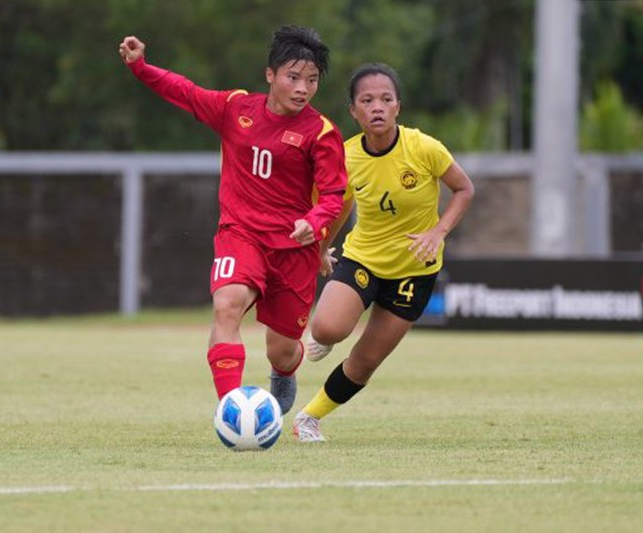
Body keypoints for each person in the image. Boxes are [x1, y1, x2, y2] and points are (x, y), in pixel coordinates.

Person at [118, 26, 347, 414]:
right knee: (227, 306)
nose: (302, 88)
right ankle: (232, 412)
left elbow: (333, 195)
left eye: (311, 81)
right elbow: (186, 93)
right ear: (270, 75)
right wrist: (141, 66)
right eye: (293, 77)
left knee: (284, 350)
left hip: (294, 248)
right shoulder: (236, 108)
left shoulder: (322, 133)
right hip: (240, 234)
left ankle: (284, 372)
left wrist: (315, 220)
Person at [292, 63, 475, 441]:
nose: (377, 107)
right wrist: (324, 248)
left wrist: (439, 231)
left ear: (398, 107)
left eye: (386, 99)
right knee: (328, 328)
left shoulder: (424, 148)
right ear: (354, 111)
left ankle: (308, 418)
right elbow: (337, 206)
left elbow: (464, 189)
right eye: (367, 100)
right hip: (363, 259)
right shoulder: (344, 156)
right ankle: (325, 336)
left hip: (414, 271)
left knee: (365, 362)